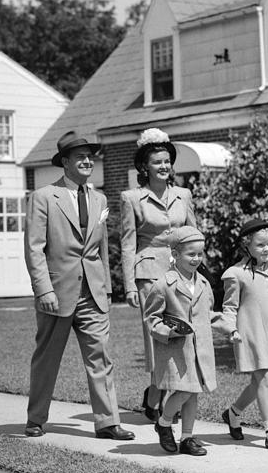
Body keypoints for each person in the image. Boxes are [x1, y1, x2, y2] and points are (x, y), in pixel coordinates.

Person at [24, 131, 135, 441]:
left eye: (90, 156)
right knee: (47, 358)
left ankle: (108, 422)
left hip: (93, 293)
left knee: (101, 356)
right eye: (79, 157)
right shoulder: (44, 197)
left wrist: (108, 289)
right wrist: (43, 289)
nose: (87, 161)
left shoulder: (99, 198)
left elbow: (101, 247)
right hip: (56, 293)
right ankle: (35, 419)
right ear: (65, 163)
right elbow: (34, 248)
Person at [120, 128, 197, 422]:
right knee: (158, 338)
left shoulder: (184, 195)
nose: (164, 167)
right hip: (149, 274)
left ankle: (159, 398)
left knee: (182, 334)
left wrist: (197, 272)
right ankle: (158, 397)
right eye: (157, 162)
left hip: (180, 273)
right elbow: (127, 244)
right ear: (144, 167)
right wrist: (128, 285)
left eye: (167, 161)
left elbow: (192, 235)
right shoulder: (132, 199)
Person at [219, 218, 268, 451]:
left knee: (258, 381)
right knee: (265, 378)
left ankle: (233, 413)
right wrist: (230, 329)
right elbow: (230, 307)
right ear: (247, 246)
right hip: (249, 332)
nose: (266, 248)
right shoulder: (236, 274)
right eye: (260, 245)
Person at [142, 226, 217, 456]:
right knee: (184, 391)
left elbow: (208, 314)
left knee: (194, 393)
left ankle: (187, 437)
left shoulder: (203, 283)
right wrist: (169, 331)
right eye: (191, 254)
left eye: (200, 254)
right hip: (177, 350)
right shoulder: (163, 285)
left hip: (199, 349)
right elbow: (151, 319)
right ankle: (164, 423)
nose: (196, 259)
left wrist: (229, 327)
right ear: (175, 254)